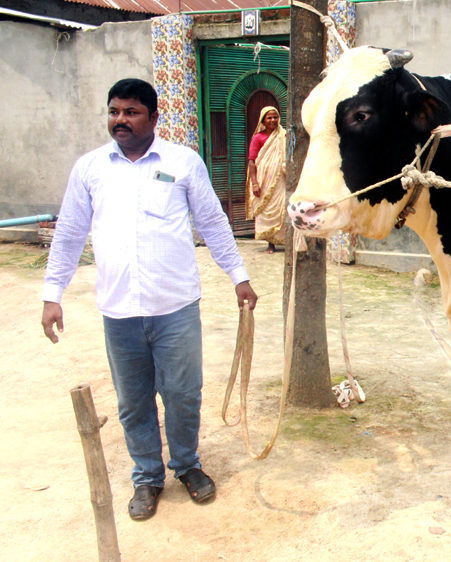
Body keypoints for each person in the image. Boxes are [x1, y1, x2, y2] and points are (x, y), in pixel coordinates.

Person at [41, 78, 258, 521]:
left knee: (182, 394)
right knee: (133, 400)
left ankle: (187, 465)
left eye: (131, 112)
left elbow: (213, 222)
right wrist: (52, 294)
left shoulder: (183, 163)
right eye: (115, 111)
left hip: (175, 306)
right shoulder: (90, 168)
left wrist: (238, 276)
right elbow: (68, 235)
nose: (120, 120)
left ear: (154, 118)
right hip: (118, 311)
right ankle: (146, 477)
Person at [246, 106, 287, 254]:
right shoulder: (258, 137)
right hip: (264, 181)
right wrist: (255, 183)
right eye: (269, 117)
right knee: (266, 211)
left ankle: (284, 241)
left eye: (275, 117)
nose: (272, 120)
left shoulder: (284, 135)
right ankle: (270, 244)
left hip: (281, 180)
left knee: (281, 208)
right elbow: (252, 161)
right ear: (263, 120)